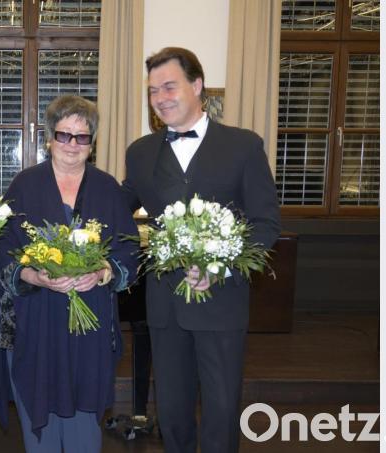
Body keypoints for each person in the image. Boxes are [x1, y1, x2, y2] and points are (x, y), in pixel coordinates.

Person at [121, 47, 281, 453]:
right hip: (164, 307)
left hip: (222, 304)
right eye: (153, 90)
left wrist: (222, 267)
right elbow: (115, 210)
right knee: (172, 414)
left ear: (196, 86)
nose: (159, 98)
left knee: (221, 413)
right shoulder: (139, 152)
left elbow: (265, 222)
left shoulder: (244, 146)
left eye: (169, 86)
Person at [0, 95, 139, 452]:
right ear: (49, 138)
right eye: (64, 134)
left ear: (92, 143)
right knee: (40, 425)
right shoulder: (25, 185)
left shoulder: (107, 188)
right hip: (36, 322)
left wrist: (103, 272)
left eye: (82, 136)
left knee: (84, 428)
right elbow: (1, 249)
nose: (72, 144)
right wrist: (31, 275)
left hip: (91, 327)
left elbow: (129, 250)